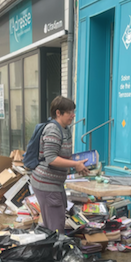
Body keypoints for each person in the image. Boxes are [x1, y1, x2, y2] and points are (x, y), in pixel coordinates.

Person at [29, 96, 88, 232]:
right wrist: (74, 164)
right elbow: (51, 158)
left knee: (55, 220)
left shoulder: (65, 129)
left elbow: (62, 156)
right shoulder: (53, 130)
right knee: (56, 227)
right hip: (46, 183)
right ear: (58, 113)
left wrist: (79, 163)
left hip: (55, 184)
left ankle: (43, 247)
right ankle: (54, 251)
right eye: (69, 112)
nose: (73, 115)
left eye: (74, 112)